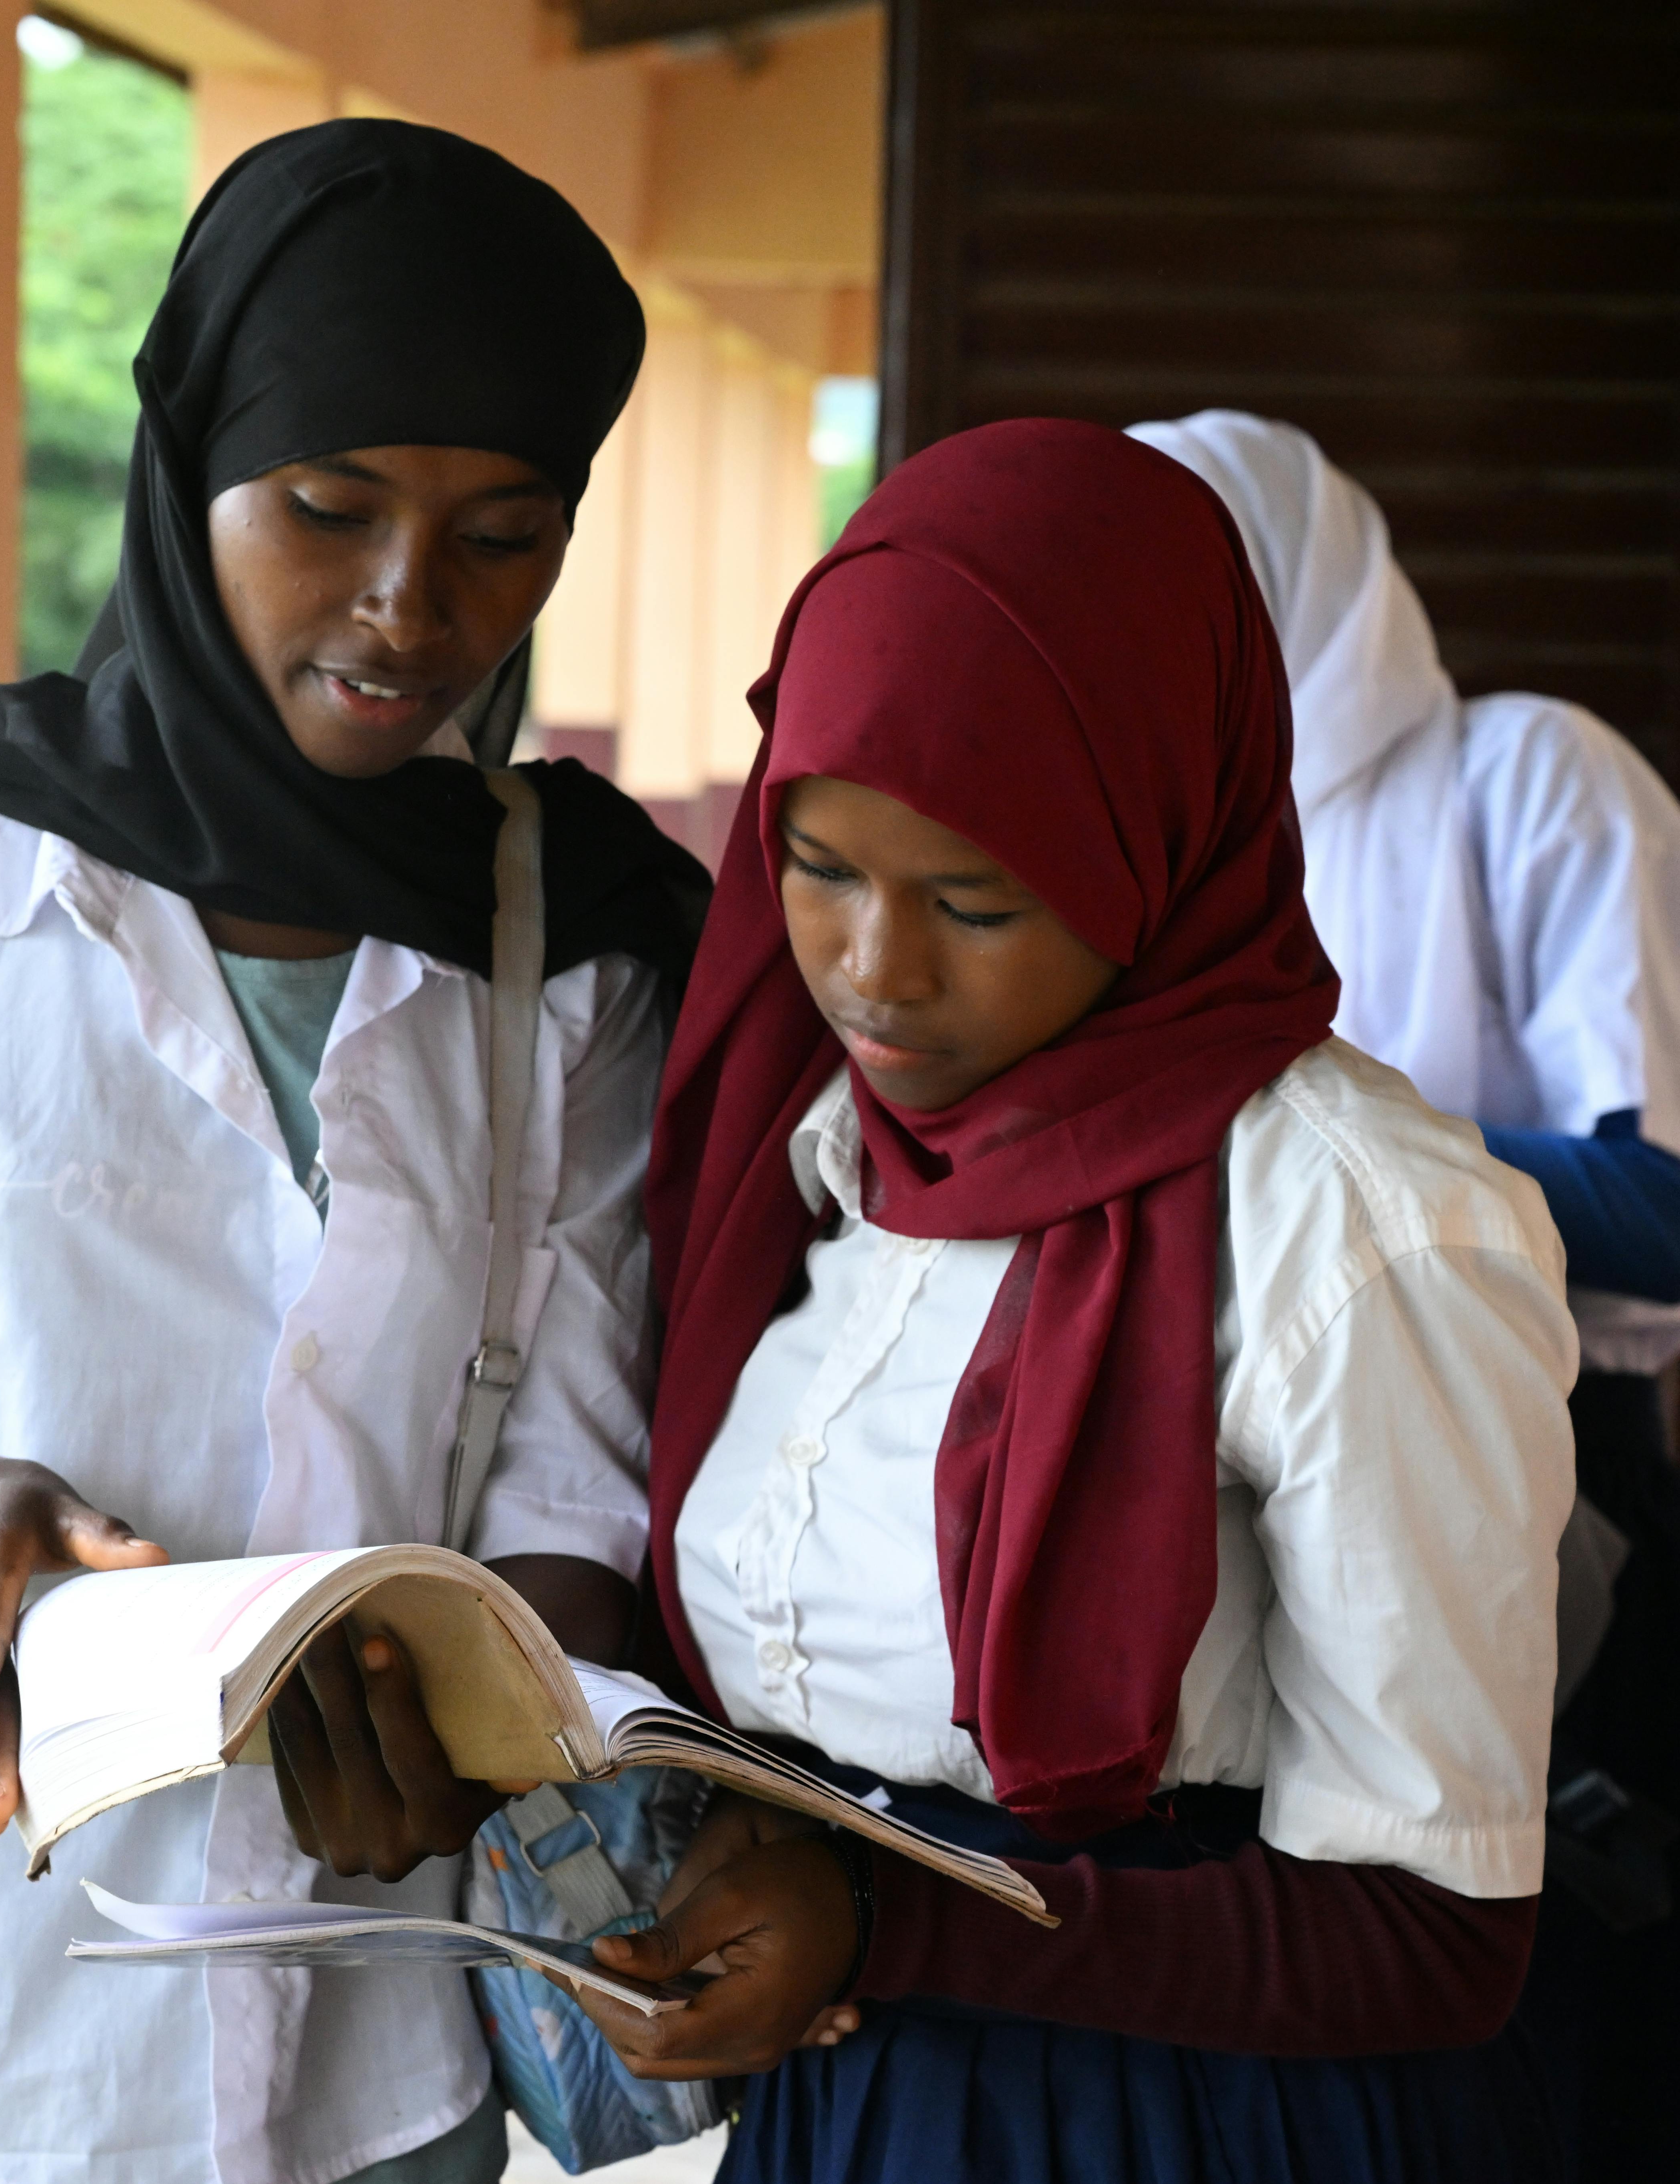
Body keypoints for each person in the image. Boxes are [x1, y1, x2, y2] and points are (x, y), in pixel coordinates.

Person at [0, 120, 704, 2184]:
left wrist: (466, 1734)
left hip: (355, 2032)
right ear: (184, 477)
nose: (404, 605)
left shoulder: (568, 959)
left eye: (500, 533)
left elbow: (563, 1485)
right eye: (326, 506)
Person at [575, 419, 1575, 2182]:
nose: (873, 972)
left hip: (1180, 2117)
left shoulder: (1352, 1232)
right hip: (854, 2100)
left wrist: (893, 1927)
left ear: (1155, 850)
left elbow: (1436, 1933)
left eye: (976, 901)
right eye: (816, 869)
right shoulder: (816, 1157)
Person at [1126, 408, 1680, 2175]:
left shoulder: (1525, 782)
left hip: (1557, 1457)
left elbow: (1664, 1201)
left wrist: (1332, 1169)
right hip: (1257, 1469)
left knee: (1535, 1954)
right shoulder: (1153, 840)